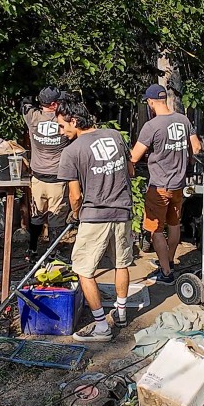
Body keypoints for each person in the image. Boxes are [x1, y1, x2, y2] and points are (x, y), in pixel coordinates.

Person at [56, 100, 134, 342]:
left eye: (62, 126)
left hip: (94, 215)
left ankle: (101, 326)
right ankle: (121, 313)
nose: (61, 132)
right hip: (122, 210)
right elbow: (130, 171)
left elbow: (75, 196)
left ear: (74, 121)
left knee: (83, 269)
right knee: (121, 262)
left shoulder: (71, 152)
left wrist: (76, 214)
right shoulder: (115, 135)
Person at [130, 84, 201, 284]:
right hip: (178, 184)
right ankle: (169, 261)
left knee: (155, 229)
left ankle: (166, 273)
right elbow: (196, 147)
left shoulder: (151, 126)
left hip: (159, 186)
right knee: (174, 225)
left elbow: (134, 156)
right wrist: (187, 158)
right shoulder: (183, 120)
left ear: (151, 102)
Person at [21, 87, 71, 260]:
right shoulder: (64, 120)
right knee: (56, 219)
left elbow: (24, 103)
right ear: (55, 104)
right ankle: (53, 254)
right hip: (58, 178)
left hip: (37, 177)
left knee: (37, 215)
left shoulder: (32, 116)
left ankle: (32, 250)